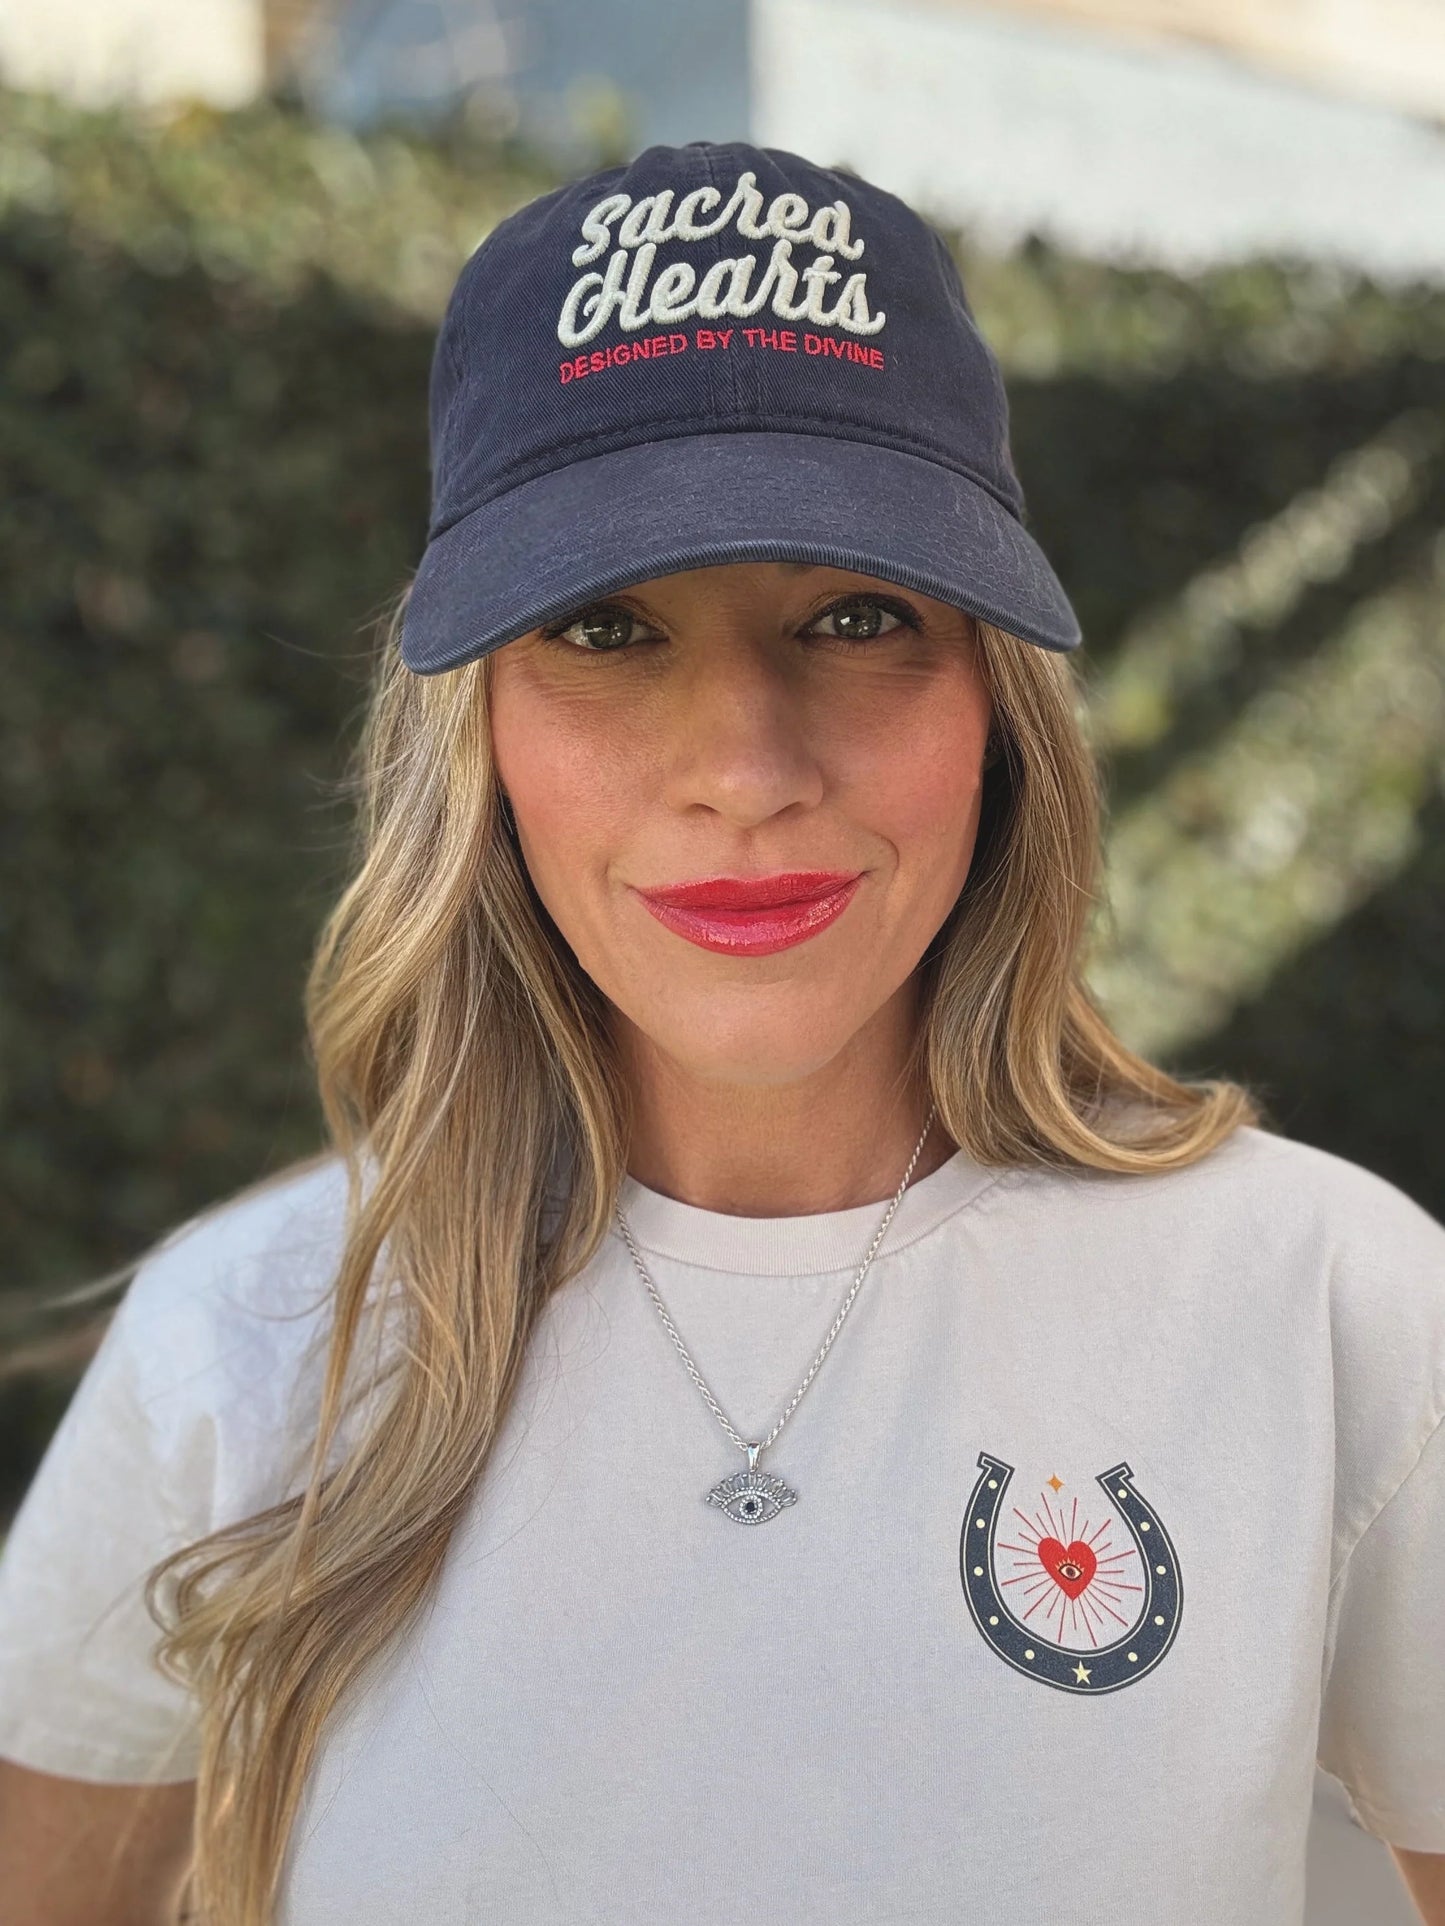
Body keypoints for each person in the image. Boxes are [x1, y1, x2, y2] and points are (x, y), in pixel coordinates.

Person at [0, 140, 1442, 1926]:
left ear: (997, 705)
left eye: (857, 616)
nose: (747, 771)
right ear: (474, 735)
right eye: (606, 626)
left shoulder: (1334, 1307)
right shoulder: (244, 1344)